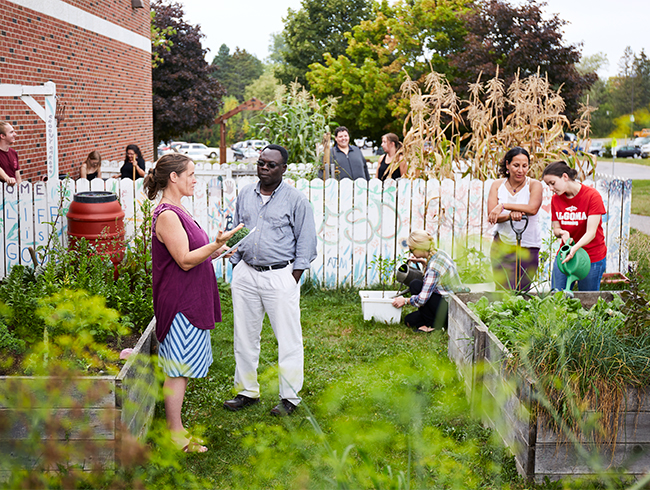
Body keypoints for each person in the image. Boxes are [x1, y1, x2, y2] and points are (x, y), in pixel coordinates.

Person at [144, 153, 242, 452]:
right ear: (173, 177)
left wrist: (215, 251)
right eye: (191, 174)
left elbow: (190, 253)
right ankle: (175, 436)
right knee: (178, 371)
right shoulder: (168, 215)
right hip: (179, 304)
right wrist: (214, 245)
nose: (195, 179)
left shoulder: (178, 210)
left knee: (182, 369)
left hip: (189, 300)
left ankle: (178, 430)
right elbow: (185, 261)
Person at [224, 144, 317, 416]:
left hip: (280, 275)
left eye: (271, 165)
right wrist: (236, 264)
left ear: (283, 169)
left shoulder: (296, 200)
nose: (264, 168)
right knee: (244, 335)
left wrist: (294, 276)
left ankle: (289, 398)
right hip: (246, 274)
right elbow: (238, 230)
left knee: (288, 339)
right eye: (261, 163)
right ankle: (247, 391)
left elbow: (307, 240)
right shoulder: (245, 195)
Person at [542, 161, 607, 291]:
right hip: (565, 255)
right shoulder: (556, 199)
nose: (550, 188)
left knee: (587, 300)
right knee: (557, 297)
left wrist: (575, 248)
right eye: (548, 185)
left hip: (591, 257)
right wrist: (562, 233)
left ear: (565, 177)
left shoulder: (592, 196)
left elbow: (591, 232)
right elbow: (556, 228)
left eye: (552, 183)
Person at [486, 147, 542, 291]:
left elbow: (532, 209)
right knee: (501, 290)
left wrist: (503, 206)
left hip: (528, 246)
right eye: (516, 165)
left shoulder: (534, 185)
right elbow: (493, 216)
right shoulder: (497, 185)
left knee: (522, 291)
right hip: (502, 244)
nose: (521, 170)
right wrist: (510, 215)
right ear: (507, 165)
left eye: (525, 166)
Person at [392, 230, 464, 333]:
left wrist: (404, 300)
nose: (411, 253)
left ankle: (432, 326)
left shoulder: (433, 267)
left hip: (448, 309)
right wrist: (423, 262)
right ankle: (436, 322)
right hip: (452, 306)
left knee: (415, 285)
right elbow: (434, 279)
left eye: (412, 250)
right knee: (409, 320)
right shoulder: (439, 254)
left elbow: (422, 299)